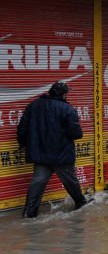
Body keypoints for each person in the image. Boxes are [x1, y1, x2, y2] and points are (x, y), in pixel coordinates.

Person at [17, 82, 91, 218]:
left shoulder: (34, 106)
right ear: (64, 94)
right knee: (71, 182)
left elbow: (22, 128)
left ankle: (29, 213)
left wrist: (24, 144)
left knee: (37, 183)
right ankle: (81, 204)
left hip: (40, 155)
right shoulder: (67, 109)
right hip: (61, 155)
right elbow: (76, 133)